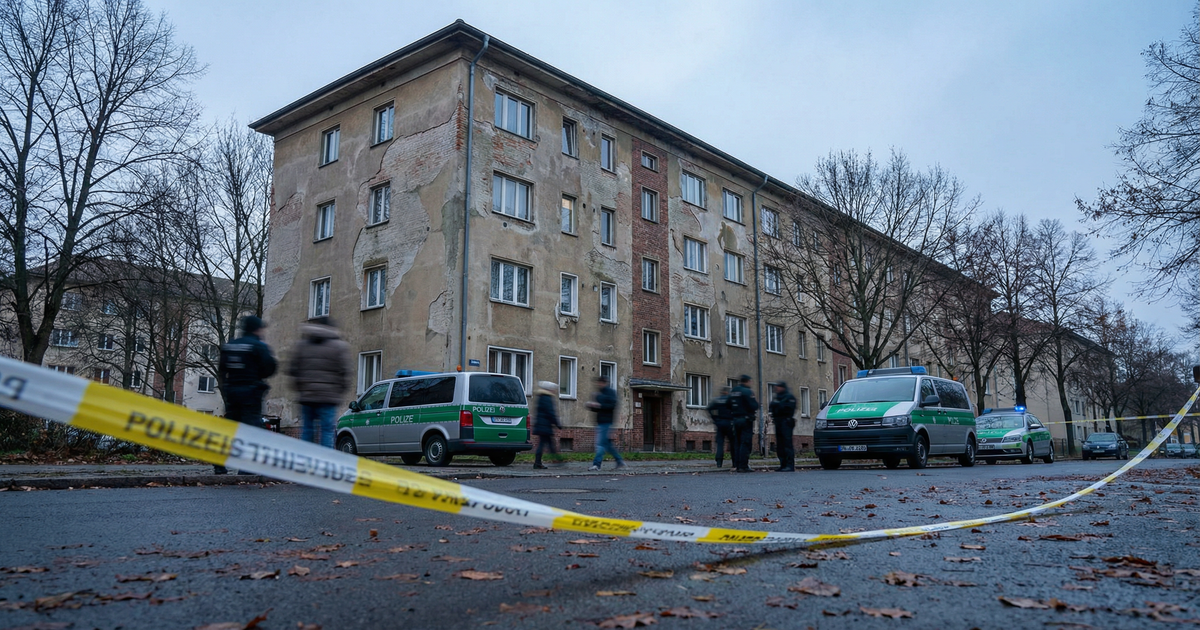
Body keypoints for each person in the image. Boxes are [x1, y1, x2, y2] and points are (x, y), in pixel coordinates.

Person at [216, 316, 277, 475]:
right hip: (251, 392)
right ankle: (246, 468)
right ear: (256, 329)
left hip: (232, 391)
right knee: (251, 430)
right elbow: (270, 368)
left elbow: (222, 369)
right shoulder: (258, 346)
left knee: (229, 429)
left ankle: (218, 462)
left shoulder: (230, 346)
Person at [287, 316, 352, 450]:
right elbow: (345, 372)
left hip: (307, 396)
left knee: (307, 429)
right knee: (327, 430)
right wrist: (340, 390)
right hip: (328, 397)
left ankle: (305, 462)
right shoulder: (339, 347)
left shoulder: (302, 345)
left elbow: (293, 369)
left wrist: (300, 388)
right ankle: (325, 465)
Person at [586, 375, 625, 471]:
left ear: (604, 383)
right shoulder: (599, 393)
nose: (599, 384)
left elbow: (612, 405)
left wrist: (599, 404)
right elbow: (597, 408)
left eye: (600, 382)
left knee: (600, 444)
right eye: (598, 382)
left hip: (606, 421)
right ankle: (619, 461)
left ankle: (596, 464)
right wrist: (591, 405)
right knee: (607, 445)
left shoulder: (610, 393)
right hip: (600, 421)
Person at [728, 374, 759, 473]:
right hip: (745, 420)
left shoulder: (733, 391)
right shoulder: (747, 391)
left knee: (737, 442)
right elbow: (754, 406)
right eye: (750, 381)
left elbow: (728, 404)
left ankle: (736, 464)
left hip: (735, 419)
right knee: (745, 443)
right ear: (747, 381)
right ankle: (743, 466)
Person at [532, 381, 565, 469]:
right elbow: (550, 412)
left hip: (542, 424)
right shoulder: (547, 398)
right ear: (549, 389)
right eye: (553, 389)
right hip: (545, 425)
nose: (554, 391)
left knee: (547, 444)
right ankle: (555, 461)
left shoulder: (541, 397)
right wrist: (558, 424)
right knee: (545, 444)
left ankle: (555, 460)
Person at [769, 382, 797, 471]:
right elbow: (772, 407)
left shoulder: (789, 397)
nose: (776, 389)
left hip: (786, 422)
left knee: (787, 444)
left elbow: (788, 408)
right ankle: (783, 464)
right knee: (780, 445)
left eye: (778, 387)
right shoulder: (777, 397)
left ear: (782, 387)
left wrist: (779, 405)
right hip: (778, 422)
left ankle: (790, 465)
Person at [707, 386, 735, 468]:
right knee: (733, 443)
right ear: (728, 392)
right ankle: (734, 462)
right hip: (730, 423)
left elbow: (709, 409)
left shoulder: (717, 400)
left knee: (720, 443)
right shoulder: (731, 400)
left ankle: (719, 462)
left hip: (720, 422)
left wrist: (715, 419)